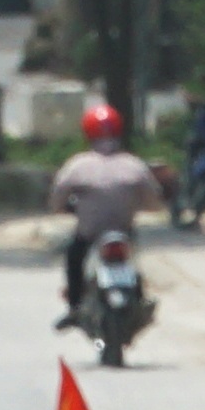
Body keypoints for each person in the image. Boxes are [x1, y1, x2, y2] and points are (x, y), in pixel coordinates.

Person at [48, 103, 163, 327]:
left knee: (74, 258)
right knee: (133, 263)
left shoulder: (78, 165)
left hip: (89, 233)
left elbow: (58, 194)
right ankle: (138, 299)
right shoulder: (134, 165)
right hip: (123, 231)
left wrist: (61, 208)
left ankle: (74, 307)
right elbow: (154, 199)